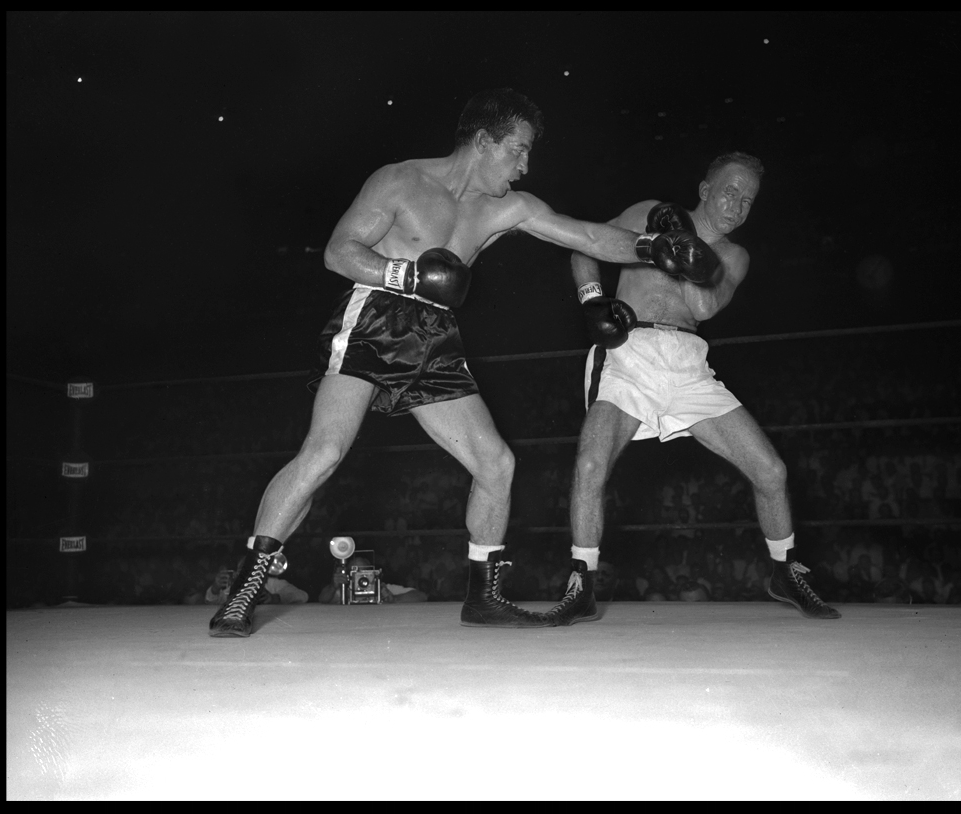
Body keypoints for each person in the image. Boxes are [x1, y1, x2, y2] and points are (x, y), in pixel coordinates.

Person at [209, 88, 717, 637]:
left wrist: (651, 248)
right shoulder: (400, 181)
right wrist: (406, 274)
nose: (525, 166)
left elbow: (588, 235)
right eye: (518, 150)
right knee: (325, 451)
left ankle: (484, 596)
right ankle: (245, 589)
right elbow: (340, 251)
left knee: (496, 463)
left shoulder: (507, 208)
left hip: (436, 335)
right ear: (483, 141)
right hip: (377, 316)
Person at [549, 152, 841, 625]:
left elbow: (704, 308)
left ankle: (785, 571)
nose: (738, 205)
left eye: (747, 200)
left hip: (689, 363)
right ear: (705, 189)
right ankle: (582, 581)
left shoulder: (733, 256)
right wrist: (591, 301)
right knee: (589, 463)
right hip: (631, 350)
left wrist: (684, 249)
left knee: (771, 470)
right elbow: (584, 246)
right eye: (730, 191)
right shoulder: (647, 212)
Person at [318, 556, 429, 604]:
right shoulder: (344, 591)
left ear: (373, 574)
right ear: (348, 575)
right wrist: (333, 586)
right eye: (355, 573)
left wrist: (394, 599)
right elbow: (323, 599)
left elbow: (421, 596)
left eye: (363, 573)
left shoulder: (380, 588)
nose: (360, 577)